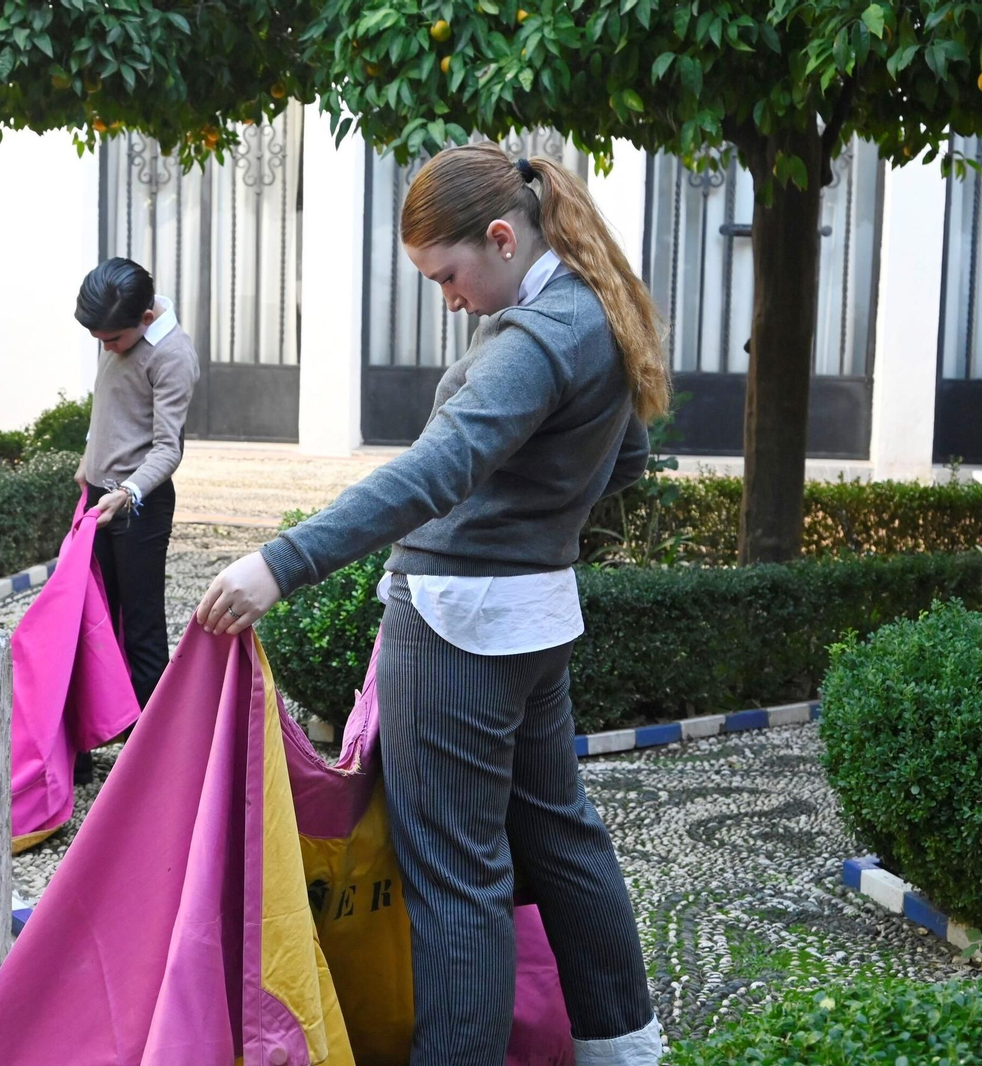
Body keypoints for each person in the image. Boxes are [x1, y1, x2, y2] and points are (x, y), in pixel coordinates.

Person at [196, 144, 668, 1066]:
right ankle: (626, 1046)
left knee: (455, 874)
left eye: (449, 275)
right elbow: (629, 462)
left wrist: (279, 565)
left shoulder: (533, 340)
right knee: (560, 836)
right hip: (535, 614)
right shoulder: (593, 307)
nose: (448, 298)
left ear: (501, 237)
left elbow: (437, 468)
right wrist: (540, 519)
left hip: (457, 620)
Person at [72, 258, 200, 780]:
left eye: (114, 339)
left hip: (138, 509)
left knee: (140, 630)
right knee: (87, 624)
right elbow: (109, 410)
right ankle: (79, 748)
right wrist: (87, 470)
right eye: (99, 339)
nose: (107, 347)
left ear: (146, 317)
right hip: (98, 501)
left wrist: (124, 493)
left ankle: (149, 765)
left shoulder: (172, 354)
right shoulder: (117, 328)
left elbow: (168, 450)